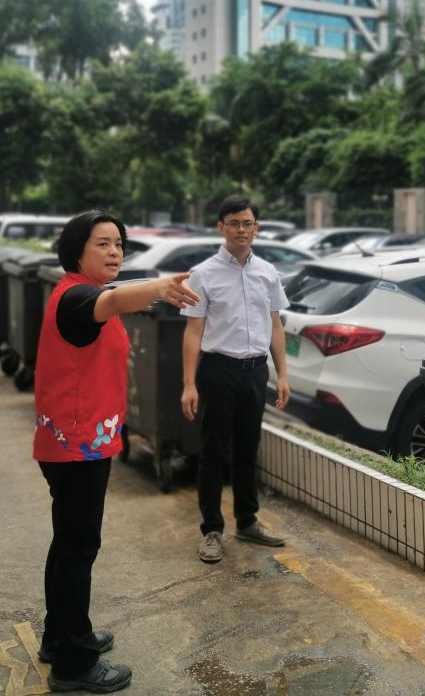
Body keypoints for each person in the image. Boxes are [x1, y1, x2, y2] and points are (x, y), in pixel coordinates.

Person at [34, 210, 199, 693]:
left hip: (75, 443)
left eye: (119, 244)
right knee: (78, 549)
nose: (114, 252)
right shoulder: (78, 298)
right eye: (102, 243)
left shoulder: (81, 293)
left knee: (68, 544)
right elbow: (110, 301)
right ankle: (74, 665)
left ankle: (61, 637)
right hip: (76, 448)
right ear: (76, 251)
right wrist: (158, 287)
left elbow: (111, 299)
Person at [181, 195, 291, 564]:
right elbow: (193, 331)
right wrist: (189, 383)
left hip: (255, 371)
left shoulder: (268, 272)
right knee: (214, 451)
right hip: (218, 370)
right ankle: (212, 530)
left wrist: (282, 374)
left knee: (247, 448)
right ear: (221, 227)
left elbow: (275, 325)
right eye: (233, 223)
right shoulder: (203, 274)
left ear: (256, 228)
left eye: (247, 223)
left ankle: (247, 521)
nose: (241, 230)